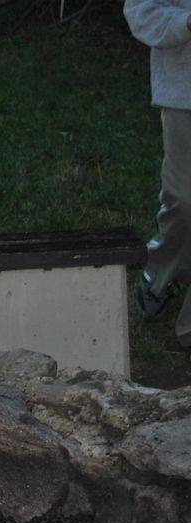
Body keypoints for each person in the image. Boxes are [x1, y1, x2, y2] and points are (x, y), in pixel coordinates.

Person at [125, 0, 191, 355]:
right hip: (184, 93)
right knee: (184, 201)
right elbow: (141, 13)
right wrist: (188, 22)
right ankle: (161, 271)